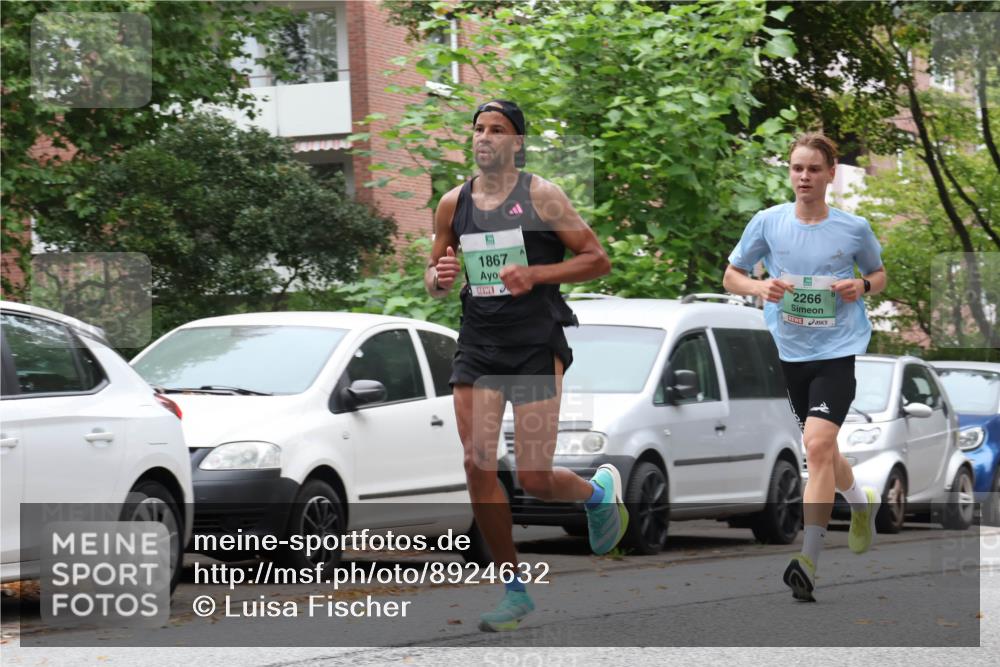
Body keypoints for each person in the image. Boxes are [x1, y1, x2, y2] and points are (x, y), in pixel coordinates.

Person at [426, 100, 625, 631]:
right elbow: (435, 274)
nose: (485, 137)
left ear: (517, 142)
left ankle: (597, 494)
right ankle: (514, 589)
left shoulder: (542, 195)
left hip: (535, 342)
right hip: (479, 344)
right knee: (477, 462)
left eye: (497, 130)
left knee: (534, 477)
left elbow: (597, 259)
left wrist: (535, 275)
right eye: (478, 129)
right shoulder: (453, 203)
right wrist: (441, 277)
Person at [722, 132, 887, 602]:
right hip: (788, 351)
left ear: (830, 174)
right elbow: (731, 274)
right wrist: (758, 289)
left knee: (815, 444)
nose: (804, 177)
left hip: (837, 350)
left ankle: (808, 559)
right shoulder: (768, 223)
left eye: (814, 169)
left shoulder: (853, 228)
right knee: (824, 450)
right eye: (797, 168)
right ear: (789, 172)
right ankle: (859, 504)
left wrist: (864, 287)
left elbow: (878, 273)